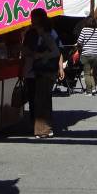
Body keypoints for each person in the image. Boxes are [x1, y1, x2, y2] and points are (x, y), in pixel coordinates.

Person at [24, 8, 62, 138]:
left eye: (33, 17)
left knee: (41, 100)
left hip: (44, 70)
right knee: (43, 100)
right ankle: (44, 129)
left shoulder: (44, 34)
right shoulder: (48, 32)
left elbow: (55, 51)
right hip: (46, 70)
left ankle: (43, 130)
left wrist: (40, 55)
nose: (31, 20)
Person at [75, 16, 97, 96]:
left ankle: (89, 91)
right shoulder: (96, 31)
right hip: (94, 54)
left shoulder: (84, 30)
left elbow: (79, 41)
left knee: (87, 73)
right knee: (91, 73)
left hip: (86, 54)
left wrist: (78, 45)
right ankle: (93, 89)